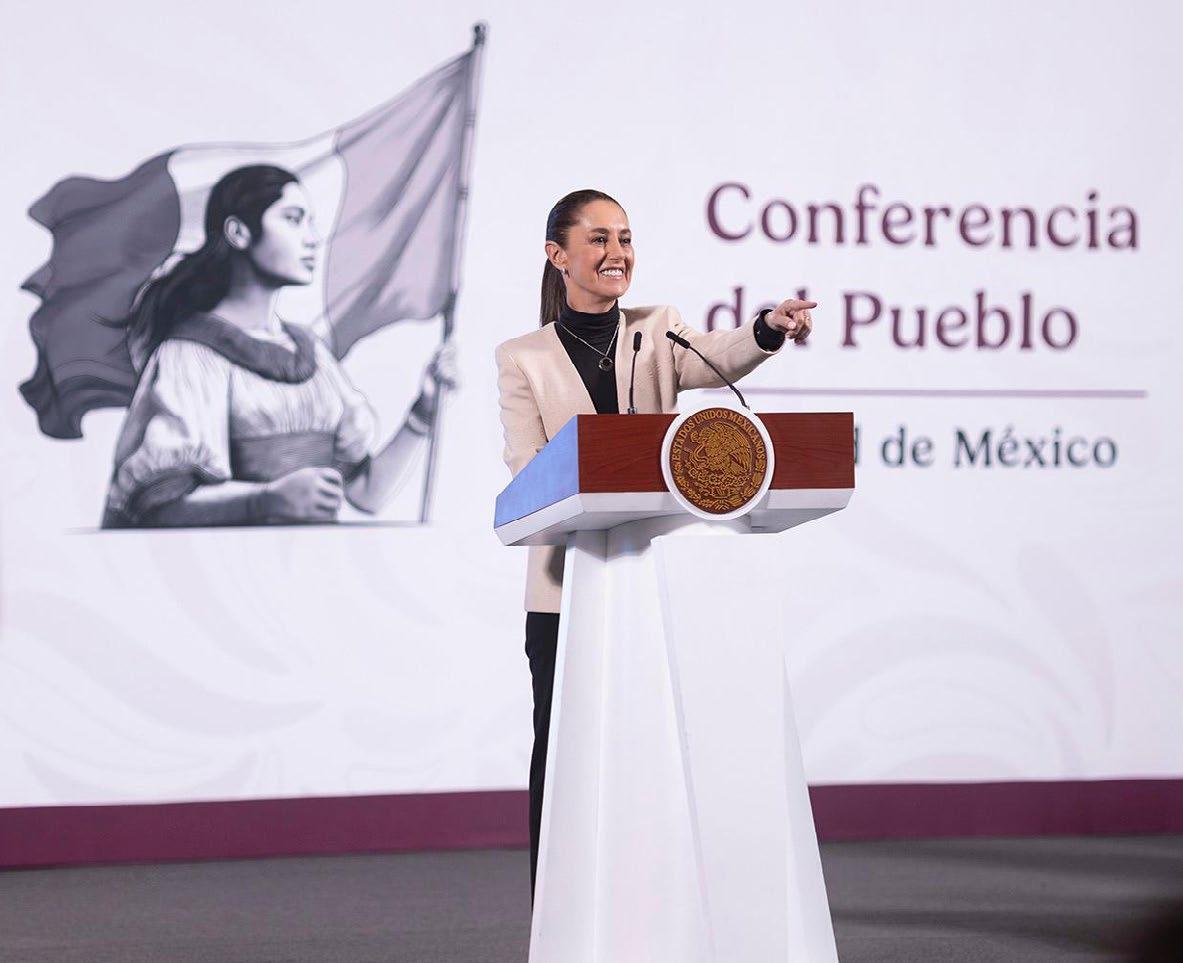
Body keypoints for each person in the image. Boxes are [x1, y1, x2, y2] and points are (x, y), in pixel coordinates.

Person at [494, 188, 815, 895]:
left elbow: (716, 354)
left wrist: (766, 328)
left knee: (653, 747)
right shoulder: (521, 358)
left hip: (652, 580)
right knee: (566, 748)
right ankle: (559, 905)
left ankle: (651, 900)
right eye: (599, 239)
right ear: (558, 256)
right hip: (566, 590)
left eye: (626, 238)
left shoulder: (658, 328)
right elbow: (527, 470)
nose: (617, 253)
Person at [102, 164, 455, 528]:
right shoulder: (190, 355)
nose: (312, 238)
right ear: (238, 232)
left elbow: (366, 494)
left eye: (310, 222)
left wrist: (423, 412)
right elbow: (160, 507)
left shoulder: (312, 354)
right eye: (293, 219)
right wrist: (266, 499)